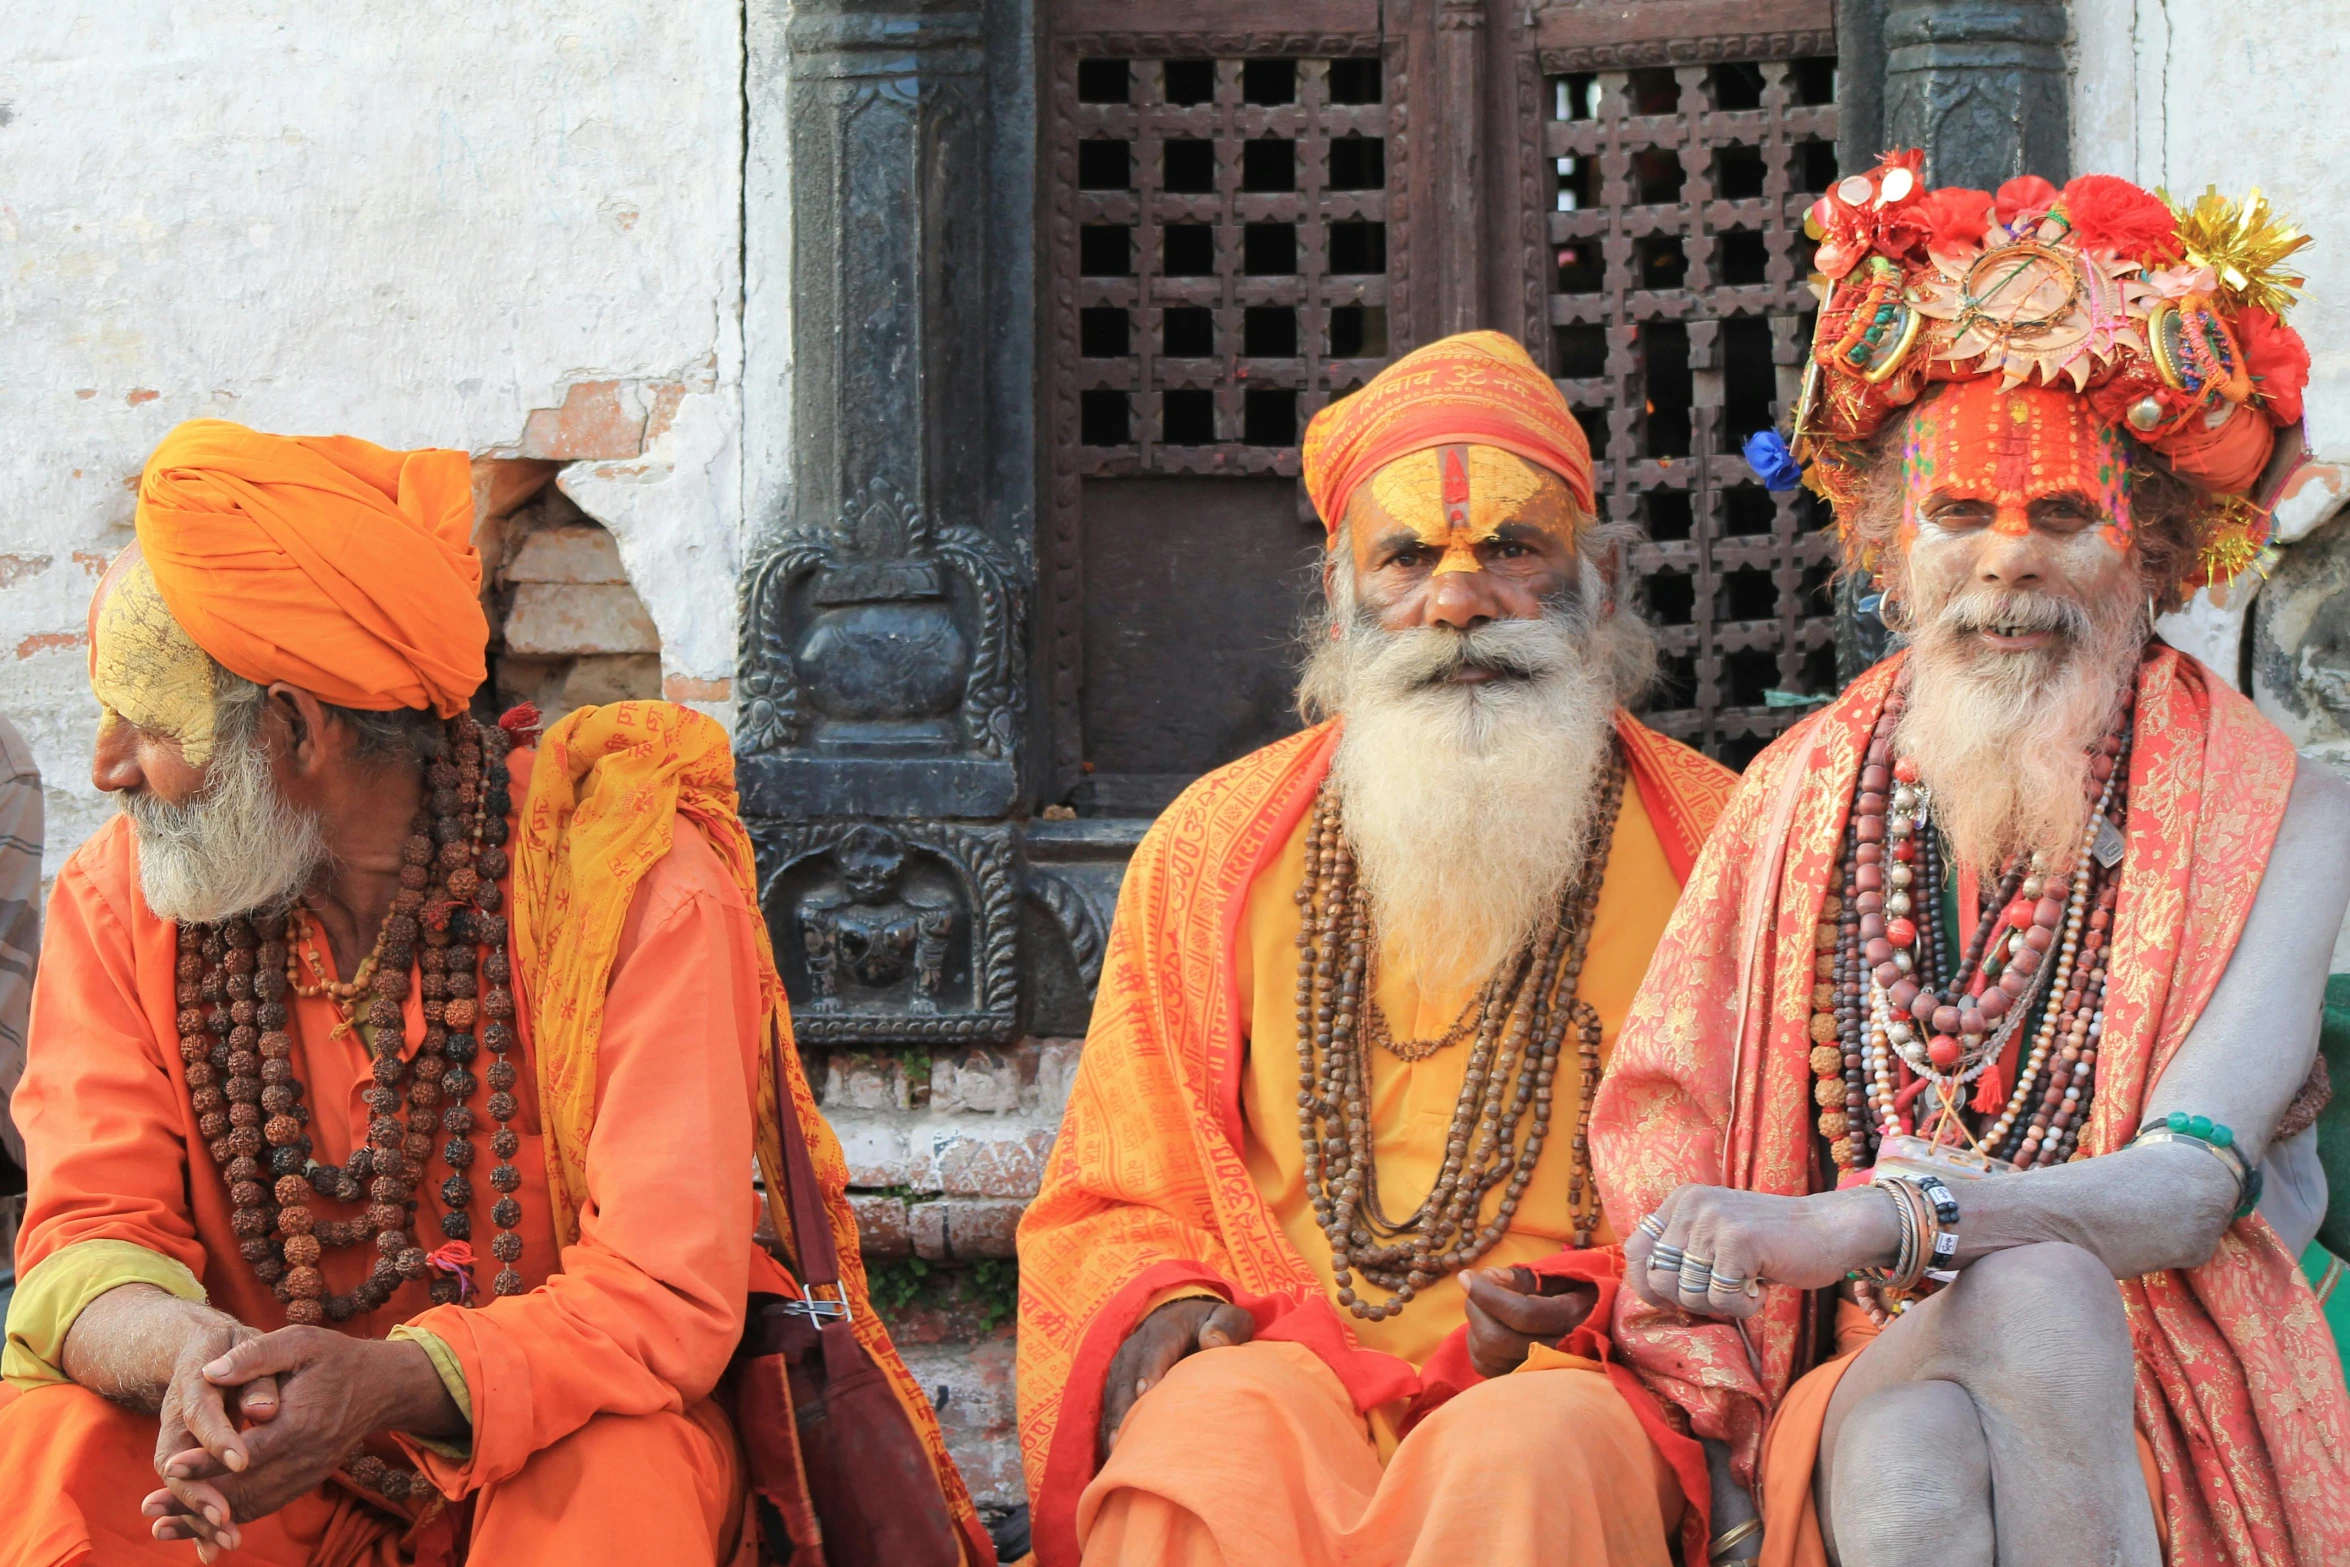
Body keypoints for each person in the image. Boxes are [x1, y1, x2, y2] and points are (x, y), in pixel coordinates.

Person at [0, 421, 987, 1567]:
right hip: (246, 1461)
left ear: (295, 727)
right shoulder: (122, 895)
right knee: (55, 1444)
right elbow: (86, 1227)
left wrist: (386, 1385)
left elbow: (663, 1294)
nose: (106, 766)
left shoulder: (627, 887)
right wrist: (191, 1357)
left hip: (538, 1445)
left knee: (616, 1467)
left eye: (150, 724)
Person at [1592, 159, 2350, 1567]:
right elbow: (1667, 1149)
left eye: (2061, 516)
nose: (2009, 564)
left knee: (2037, 1302)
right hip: (1854, 1369)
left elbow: (2188, 1184)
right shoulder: (1797, 793)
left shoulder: (2280, 807)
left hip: (2158, 1374)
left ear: (2153, 546)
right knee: (1958, 1365)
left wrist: (1867, 1219)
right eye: (1962, 516)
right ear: (1890, 540)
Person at [1015, 331, 1740, 1567]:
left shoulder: (1727, 842)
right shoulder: (1211, 846)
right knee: (1199, 1448)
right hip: (1287, 1355)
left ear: (1600, 582)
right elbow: (1115, 1189)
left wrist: (1608, 1295)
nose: (1456, 601)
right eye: (1407, 558)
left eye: (1510, 549)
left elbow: (1784, 1172)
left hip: (1579, 1375)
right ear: (1342, 601)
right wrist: (1176, 1309)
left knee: (1520, 1457)